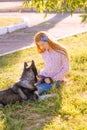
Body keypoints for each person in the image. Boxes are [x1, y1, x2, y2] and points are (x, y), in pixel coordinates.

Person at [34, 31, 69, 95]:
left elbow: (66, 68)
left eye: (42, 44)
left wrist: (52, 79)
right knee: (29, 88)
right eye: (40, 45)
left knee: (36, 91)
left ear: (48, 40)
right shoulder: (44, 52)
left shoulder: (61, 50)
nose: (42, 47)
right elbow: (48, 66)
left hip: (56, 79)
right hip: (44, 76)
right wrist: (41, 76)